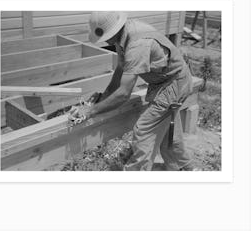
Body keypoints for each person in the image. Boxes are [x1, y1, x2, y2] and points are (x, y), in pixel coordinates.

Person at [70, 11, 195, 171]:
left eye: (105, 37)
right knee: (168, 131)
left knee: (144, 130)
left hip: (174, 83)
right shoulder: (124, 34)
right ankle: (183, 168)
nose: (104, 41)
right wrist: (103, 97)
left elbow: (123, 94)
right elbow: (120, 71)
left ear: (113, 31)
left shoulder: (137, 45)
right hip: (166, 81)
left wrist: (91, 110)